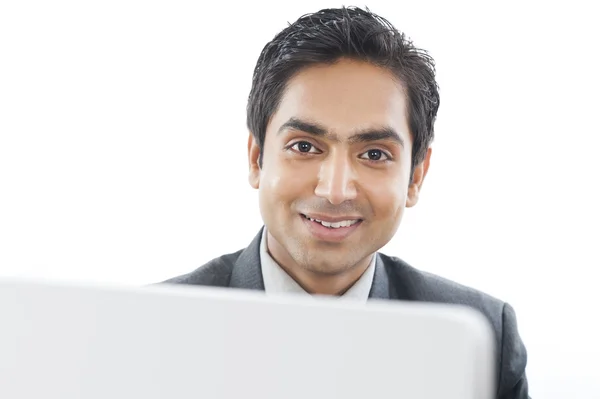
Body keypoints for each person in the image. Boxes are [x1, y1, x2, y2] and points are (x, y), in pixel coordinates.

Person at [163, 6, 529, 399]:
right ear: (257, 159)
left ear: (415, 176)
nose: (335, 191)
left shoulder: (480, 338)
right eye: (304, 146)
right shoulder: (153, 328)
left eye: (374, 154)